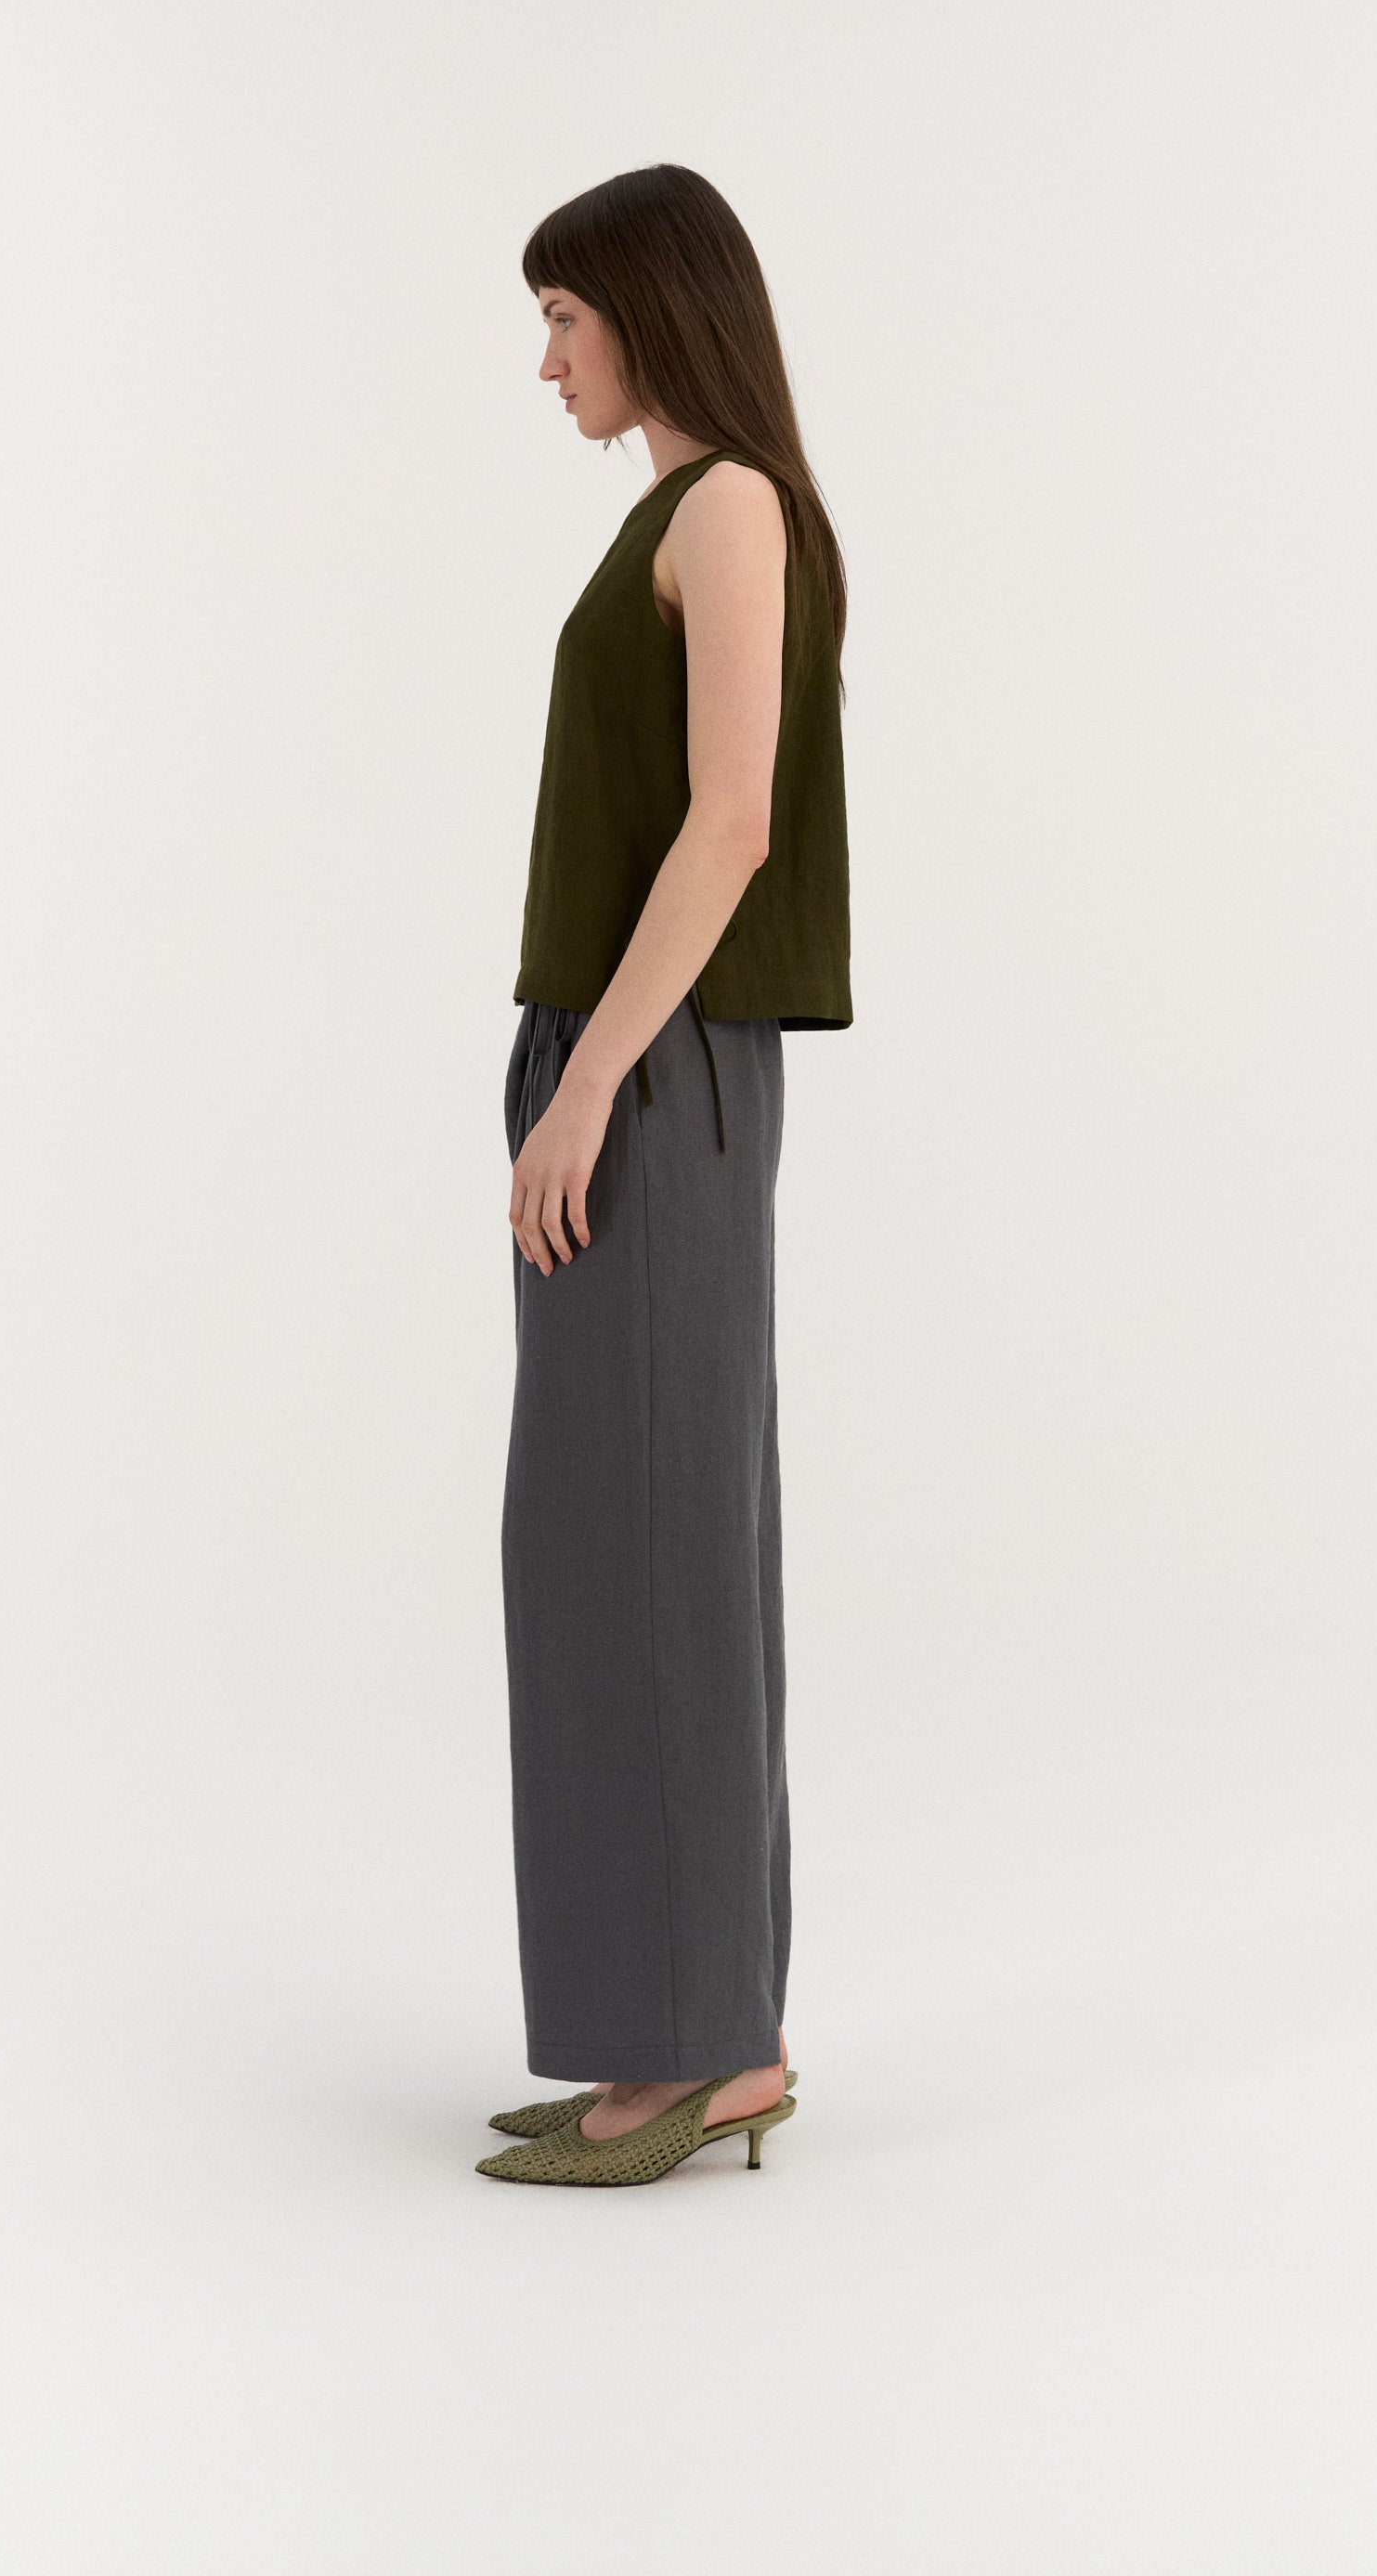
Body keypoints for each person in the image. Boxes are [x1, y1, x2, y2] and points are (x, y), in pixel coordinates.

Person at [479, 164, 853, 2189]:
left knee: (647, 1547)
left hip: (651, 1071)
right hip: (629, 1060)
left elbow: (730, 825)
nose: (547, 359)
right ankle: (685, 2030)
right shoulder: (688, 511)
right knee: (614, 1544)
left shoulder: (725, 511)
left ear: (652, 306)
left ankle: (702, 2049)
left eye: (565, 316)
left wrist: (585, 1091)